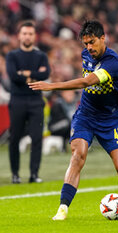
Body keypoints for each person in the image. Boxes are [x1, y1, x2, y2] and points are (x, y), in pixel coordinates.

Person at [29, 20, 118, 221]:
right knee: (78, 156)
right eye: (85, 44)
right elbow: (94, 74)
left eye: (92, 42)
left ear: (103, 38)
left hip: (110, 119)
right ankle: (62, 208)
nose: (89, 48)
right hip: (85, 114)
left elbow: (87, 81)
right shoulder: (87, 54)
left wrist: (52, 86)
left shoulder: (114, 62)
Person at [6, 20, 50, 184]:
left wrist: (24, 73)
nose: (27, 36)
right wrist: (34, 74)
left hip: (36, 101)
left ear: (34, 36)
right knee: (15, 138)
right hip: (17, 100)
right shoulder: (12, 55)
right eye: (24, 33)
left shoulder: (41, 56)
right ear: (19, 35)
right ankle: (15, 174)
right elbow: (13, 76)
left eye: (30, 33)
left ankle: (34, 174)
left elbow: (46, 74)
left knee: (37, 138)